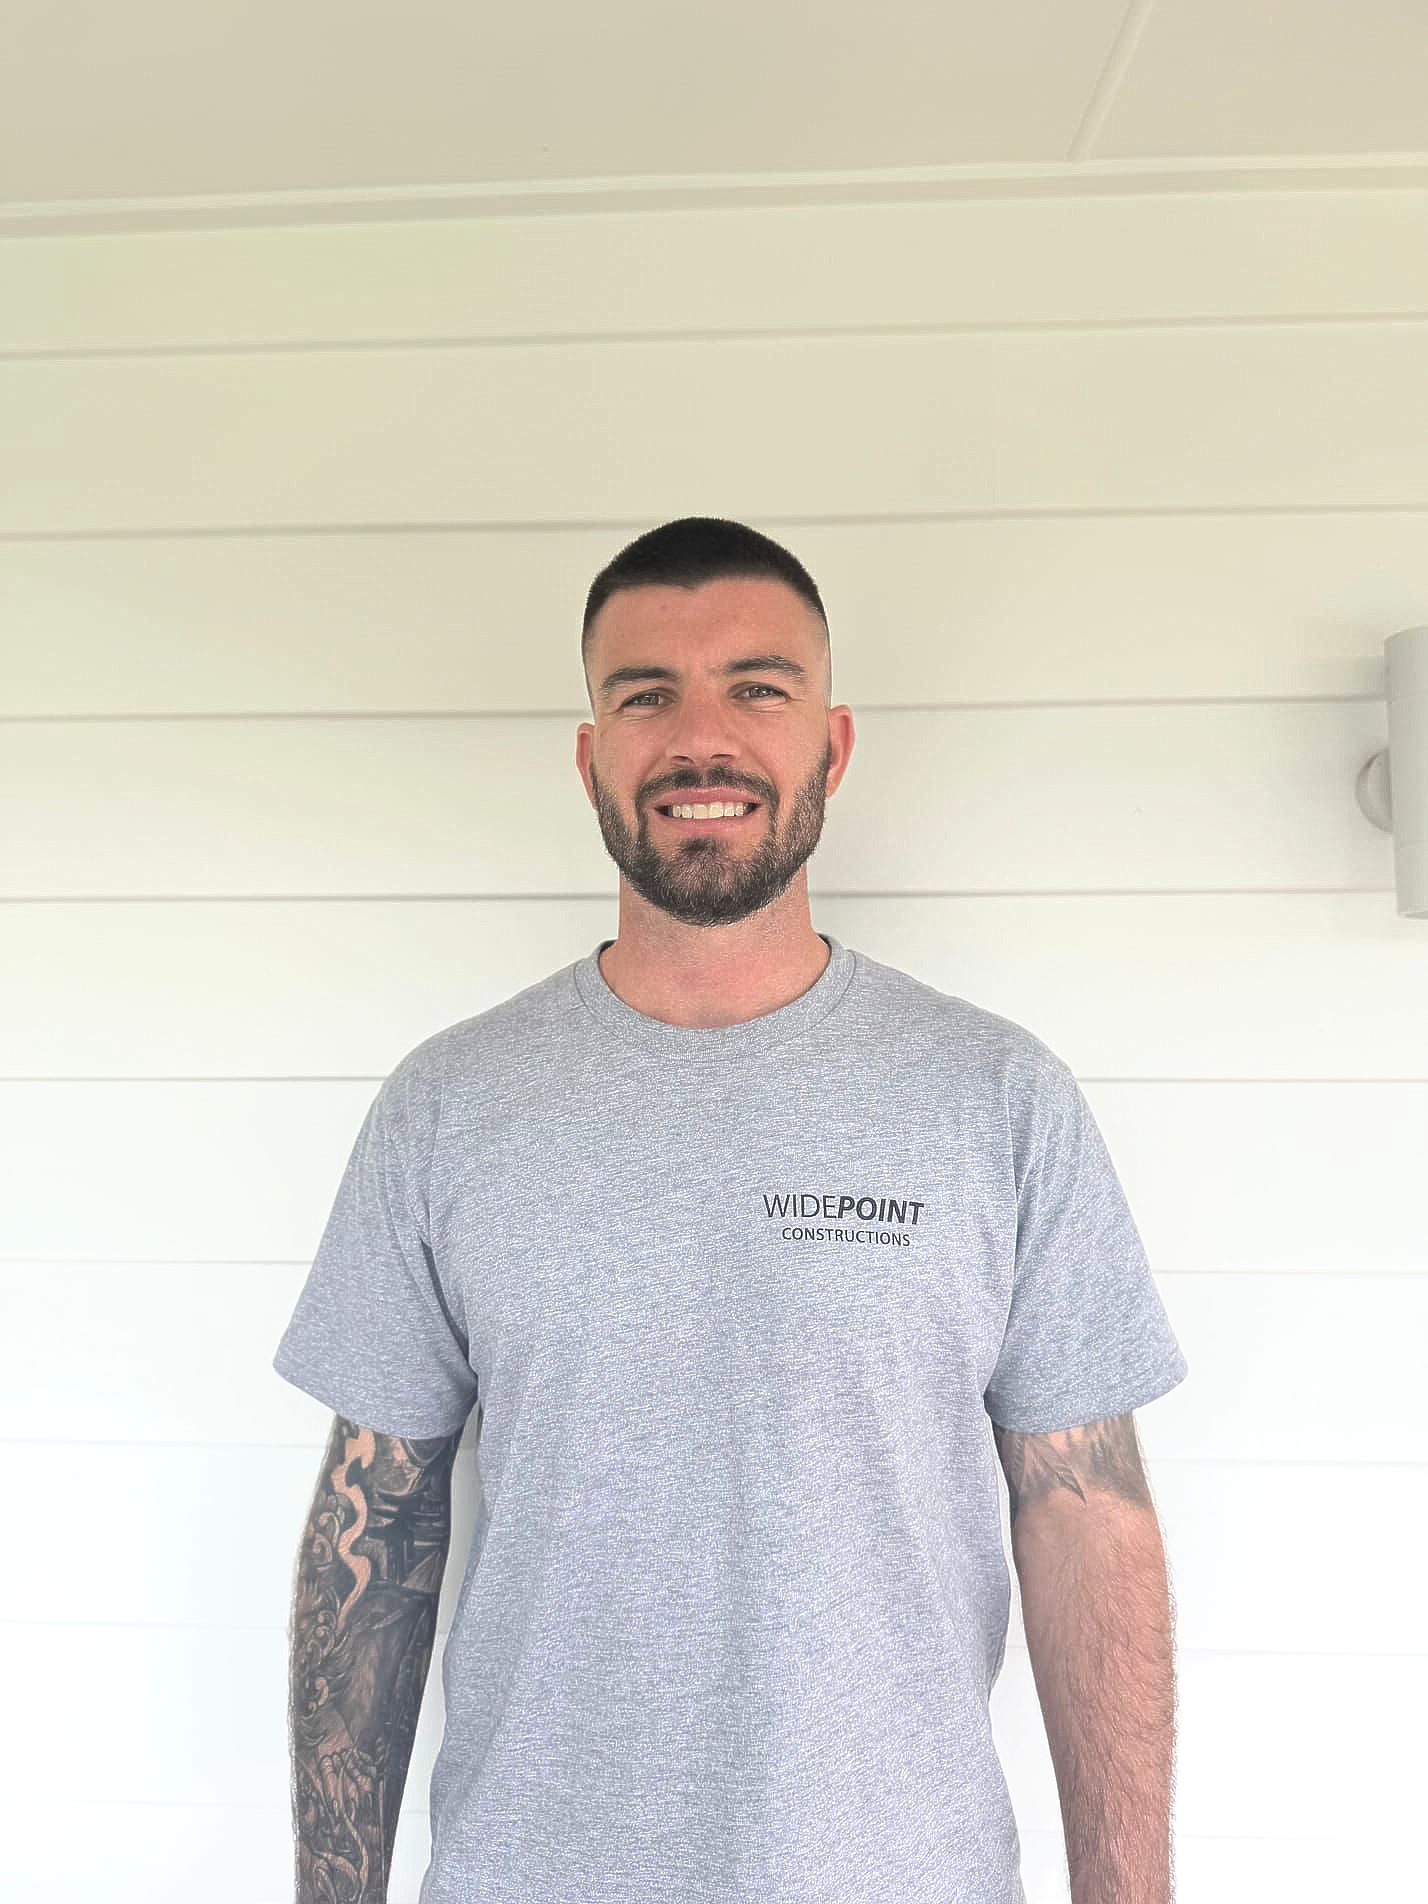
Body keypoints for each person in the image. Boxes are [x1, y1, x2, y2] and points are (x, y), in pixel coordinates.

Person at [274, 516, 1188, 1904]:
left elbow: (1088, 1517)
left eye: (759, 688)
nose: (702, 738)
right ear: (592, 756)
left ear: (834, 742)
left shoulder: (993, 1099)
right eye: (646, 695)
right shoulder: (449, 1108)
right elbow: (372, 1533)